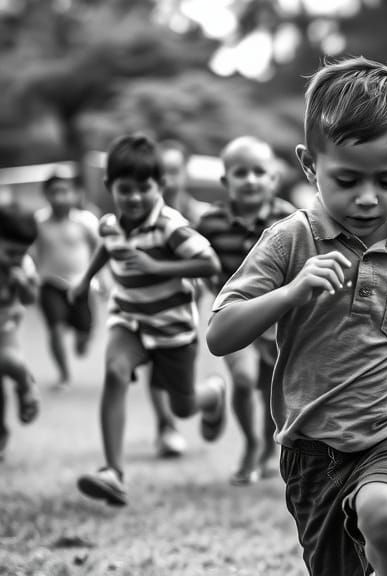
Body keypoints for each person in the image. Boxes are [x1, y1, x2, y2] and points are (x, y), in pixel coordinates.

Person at [205, 57, 387, 576]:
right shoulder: (288, 241)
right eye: (346, 180)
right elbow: (220, 334)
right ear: (308, 165)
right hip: (312, 444)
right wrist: (290, 294)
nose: (368, 198)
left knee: (384, 513)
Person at [72, 134, 227, 507]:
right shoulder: (110, 223)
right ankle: (113, 472)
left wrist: (158, 266)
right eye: (126, 189)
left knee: (182, 408)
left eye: (145, 188)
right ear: (110, 187)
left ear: (161, 186)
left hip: (173, 329)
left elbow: (210, 264)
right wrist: (85, 279)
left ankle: (213, 395)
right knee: (114, 371)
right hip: (129, 320)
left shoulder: (171, 227)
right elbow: (105, 247)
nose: (136, 197)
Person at [197, 136, 295, 485]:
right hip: (236, 318)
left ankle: (268, 449)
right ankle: (251, 444)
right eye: (241, 173)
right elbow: (199, 266)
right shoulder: (209, 223)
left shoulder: (291, 219)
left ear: (273, 178)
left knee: (272, 390)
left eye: (259, 172)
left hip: (279, 321)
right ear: (225, 181)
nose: (251, 180)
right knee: (242, 379)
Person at [144, 140, 214, 459]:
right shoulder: (142, 215)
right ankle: (166, 428)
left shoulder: (202, 217)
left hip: (186, 308)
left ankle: (209, 397)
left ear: (186, 173)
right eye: (162, 172)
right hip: (147, 305)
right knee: (152, 361)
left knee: (176, 375)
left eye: (174, 171)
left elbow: (213, 265)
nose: (168, 180)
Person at [32, 170, 100, 388]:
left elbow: (100, 249)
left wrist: (103, 278)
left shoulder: (86, 221)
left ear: (75, 194)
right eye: (54, 192)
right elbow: (31, 251)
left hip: (81, 285)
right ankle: (64, 375)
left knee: (83, 334)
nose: (59, 197)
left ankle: (83, 335)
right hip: (50, 283)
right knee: (55, 328)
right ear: (46, 194)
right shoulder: (39, 222)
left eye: (64, 191)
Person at [0, 208, 41, 461]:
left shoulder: (24, 265)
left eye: (22, 252)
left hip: (7, 324)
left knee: (9, 361)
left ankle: (25, 383)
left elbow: (32, 298)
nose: (17, 258)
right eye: (10, 252)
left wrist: (23, 283)